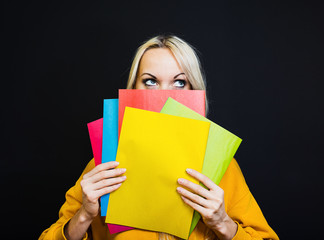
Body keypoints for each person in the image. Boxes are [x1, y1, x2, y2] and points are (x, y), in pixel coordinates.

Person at [39, 35, 279, 240]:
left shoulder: (222, 170)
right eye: (151, 81)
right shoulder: (104, 166)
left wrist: (223, 223)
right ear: (133, 90)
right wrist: (83, 216)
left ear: (195, 91)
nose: (165, 95)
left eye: (179, 82)